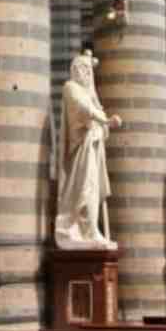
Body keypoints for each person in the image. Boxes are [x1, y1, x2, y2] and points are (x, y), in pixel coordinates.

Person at [55, 49, 121, 248]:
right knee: (83, 188)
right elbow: (83, 109)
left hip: (92, 148)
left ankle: (91, 230)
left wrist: (103, 124)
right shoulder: (71, 87)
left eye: (87, 70)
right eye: (80, 68)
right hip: (80, 149)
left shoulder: (89, 94)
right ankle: (75, 228)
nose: (83, 73)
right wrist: (106, 120)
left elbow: (95, 113)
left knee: (92, 189)